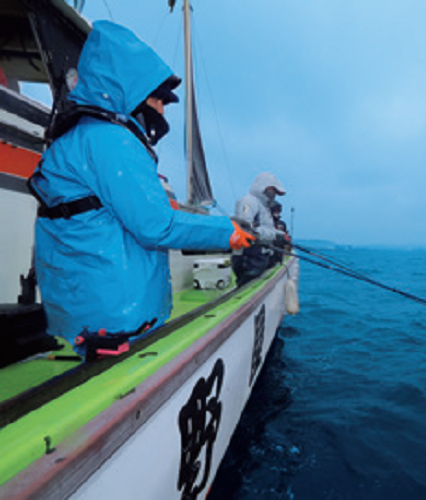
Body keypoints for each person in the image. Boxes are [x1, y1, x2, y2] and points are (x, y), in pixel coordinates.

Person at [28, 21, 254, 359]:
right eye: (159, 99)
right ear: (129, 93)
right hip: (113, 322)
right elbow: (155, 226)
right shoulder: (112, 141)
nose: (162, 110)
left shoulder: (80, 137)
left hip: (86, 315)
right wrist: (228, 232)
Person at [232, 172, 288, 286]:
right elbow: (244, 228)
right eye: (273, 190)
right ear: (264, 187)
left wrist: (280, 234)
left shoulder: (264, 207)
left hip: (259, 257)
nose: (274, 194)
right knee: (245, 286)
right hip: (247, 257)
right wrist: (275, 236)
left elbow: (264, 229)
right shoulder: (248, 201)